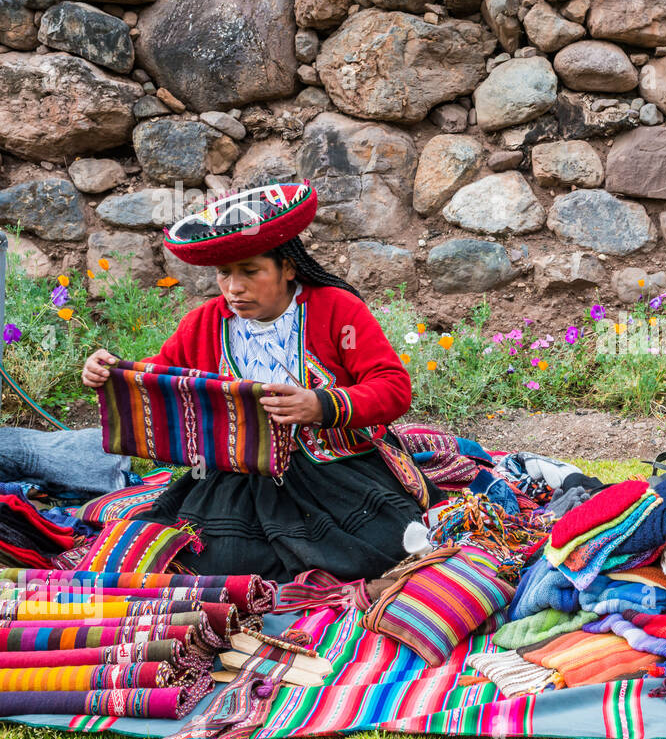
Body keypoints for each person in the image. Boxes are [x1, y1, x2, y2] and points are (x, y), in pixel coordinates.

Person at [82, 182, 442, 582]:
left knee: (377, 546)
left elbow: (392, 386)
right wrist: (110, 370)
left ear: (288, 268)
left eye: (251, 272)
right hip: (241, 472)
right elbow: (164, 373)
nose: (234, 288)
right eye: (224, 274)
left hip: (336, 466)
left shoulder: (337, 309)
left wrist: (321, 405)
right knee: (215, 559)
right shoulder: (204, 324)